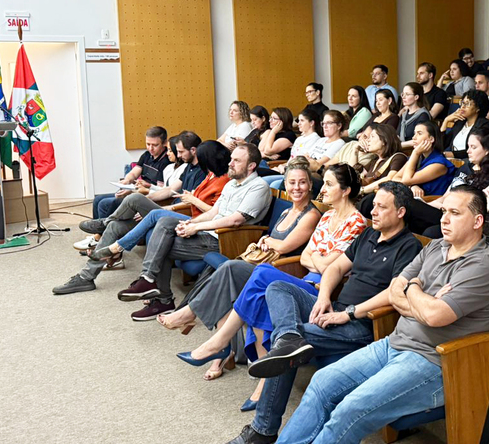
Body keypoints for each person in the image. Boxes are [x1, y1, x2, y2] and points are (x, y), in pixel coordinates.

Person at [199, 187, 489, 444]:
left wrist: (414, 288)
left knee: (350, 412)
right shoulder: (436, 248)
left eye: (454, 213)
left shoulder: (481, 267)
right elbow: (395, 293)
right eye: (443, 211)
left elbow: (433, 315)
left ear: (478, 221)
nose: (443, 219)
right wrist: (420, 294)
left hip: (435, 363)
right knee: (322, 383)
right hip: (394, 343)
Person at [213, 182, 422, 444]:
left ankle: (263, 429)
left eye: (382, 207)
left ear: (401, 212)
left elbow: (392, 293)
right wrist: (324, 297)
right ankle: (289, 337)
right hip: (334, 307)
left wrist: (348, 313)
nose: (374, 211)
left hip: (362, 325)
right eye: (374, 205)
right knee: (277, 287)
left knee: (285, 348)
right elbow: (335, 267)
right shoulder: (369, 235)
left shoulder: (409, 246)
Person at [176, 165, 367, 381]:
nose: (323, 189)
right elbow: (306, 257)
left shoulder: (356, 222)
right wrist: (318, 260)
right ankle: (256, 372)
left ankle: (219, 342)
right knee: (259, 291)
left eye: (329, 184)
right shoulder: (327, 216)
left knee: (262, 272)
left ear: (346, 190)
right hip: (304, 280)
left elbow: (330, 268)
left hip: (324, 292)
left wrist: (317, 259)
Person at [156, 161, 321, 380]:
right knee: (227, 282)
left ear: (310, 185)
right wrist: (266, 239)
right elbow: (272, 240)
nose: (296, 187)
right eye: (292, 182)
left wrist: (270, 241)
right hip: (265, 265)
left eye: (302, 182)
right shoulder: (286, 212)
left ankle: (192, 316)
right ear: (285, 185)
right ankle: (221, 352)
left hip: (284, 273)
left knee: (230, 268)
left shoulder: (311, 215)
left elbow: (284, 246)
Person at [116, 143, 272, 320]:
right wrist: (190, 222)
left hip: (225, 239)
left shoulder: (258, 187)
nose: (230, 164)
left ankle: (161, 298)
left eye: (236, 161)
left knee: (160, 243)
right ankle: (150, 281)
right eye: (231, 159)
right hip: (209, 234)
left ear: (251, 166)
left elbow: (235, 220)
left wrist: (195, 227)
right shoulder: (231, 185)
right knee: (165, 223)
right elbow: (213, 212)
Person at [54, 142, 232, 295]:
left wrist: (191, 200)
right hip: (182, 216)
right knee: (118, 224)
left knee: (140, 203)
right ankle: (86, 276)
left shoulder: (225, 181)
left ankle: (104, 224)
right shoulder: (210, 175)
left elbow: (215, 212)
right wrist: (169, 205)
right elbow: (175, 193)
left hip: (193, 224)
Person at [395, 130, 489, 235]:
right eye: (468, 146)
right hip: (442, 210)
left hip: (458, 217)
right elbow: (445, 196)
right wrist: (426, 205)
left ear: (487, 151)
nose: (468, 151)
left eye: (473, 147)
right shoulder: (465, 167)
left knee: (407, 205)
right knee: (412, 217)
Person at [89, 126, 171, 227]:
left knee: (104, 204)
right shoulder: (146, 155)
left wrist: (133, 191)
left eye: (155, 145)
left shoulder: (166, 161)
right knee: (97, 199)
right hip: (137, 190)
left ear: (164, 143)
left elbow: (159, 191)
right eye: (148, 144)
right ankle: (96, 233)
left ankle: (102, 233)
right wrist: (127, 180)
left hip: (145, 195)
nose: (150, 148)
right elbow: (134, 172)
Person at [388, 120, 456, 198]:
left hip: (430, 203)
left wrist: (415, 153)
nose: (414, 137)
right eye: (414, 133)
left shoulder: (439, 164)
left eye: (419, 133)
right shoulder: (418, 158)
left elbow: (406, 180)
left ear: (431, 139)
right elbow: (395, 178)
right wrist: (412, 186)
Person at [260, 112, 321, 189]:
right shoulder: (299, 139)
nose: (298, 123)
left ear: (311, 123)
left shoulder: (315, 139)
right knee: (262, 179)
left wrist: (285, 168)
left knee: (269, 182)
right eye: (298, 121)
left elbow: (303, 161)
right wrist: (282, 166)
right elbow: (292, 158)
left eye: (302, 121)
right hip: (286, 169)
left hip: (295, 173)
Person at [357, 124, 409, 195]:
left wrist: (363, 190)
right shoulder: (374, 160)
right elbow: (358, 177)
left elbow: (390, 178)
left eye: (372, 136)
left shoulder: (398, 157)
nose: (368, 140)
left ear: (384, 140)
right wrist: (356, 150)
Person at [441, 89, 489, 157]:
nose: (462, 107)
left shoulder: (484, 125)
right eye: (462, 103)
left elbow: (479, 150)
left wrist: (453, 154)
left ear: (478, 108)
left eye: (467, 104)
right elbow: (442, 146)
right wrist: (446, 121)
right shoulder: (460, 122)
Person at [398, 82, 431, 149]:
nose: (403, 97)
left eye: (407, 94)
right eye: (403, 94)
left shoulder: (423, 115)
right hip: (402, 149)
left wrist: (399, 145)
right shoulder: (404, 115)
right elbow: (397, 134)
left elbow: (419, 140)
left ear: (416, 97)